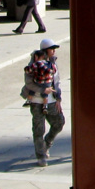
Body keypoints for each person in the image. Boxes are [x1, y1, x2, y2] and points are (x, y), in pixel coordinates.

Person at [24, 38, 65, 167]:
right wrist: (43, 89)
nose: (53, 51)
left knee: (59, 122)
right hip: (36, 101)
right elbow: (28, 83)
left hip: (52, 101)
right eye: (51, 49)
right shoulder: (34, 64)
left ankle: (47, 143)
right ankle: (40, 155)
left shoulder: (53, 63)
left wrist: (58, 98)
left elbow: (56, 81)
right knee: (38, 129)